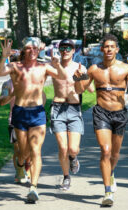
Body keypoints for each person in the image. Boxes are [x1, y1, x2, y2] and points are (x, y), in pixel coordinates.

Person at [0, 37, 67, 203]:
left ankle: (33, 187)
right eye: (29, 48)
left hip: (38, 112)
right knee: (24, 152)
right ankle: (20, 164)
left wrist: (57, 64)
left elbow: (62, 76)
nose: (32, 51)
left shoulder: (44, 67)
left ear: (39, 50)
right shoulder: (15, 67)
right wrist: (3, 56)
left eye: (35, 48)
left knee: (35, 151)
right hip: (20, 112)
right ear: (23, 50)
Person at [74, 34, 128, 206]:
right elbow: (80, 90)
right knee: (105, 150)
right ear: (102, 49)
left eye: (112, 46)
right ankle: (107, 192)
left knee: (115, 153)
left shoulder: (125, 69)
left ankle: (111, 172)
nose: (109, 49)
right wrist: (77, 78)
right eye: (106, 46)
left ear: (117, 49)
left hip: (120, 114)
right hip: (101, 113)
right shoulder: (93, 69)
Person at [50, 38, 94, 191]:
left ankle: (73, 158)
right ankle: (66, 177)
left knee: (73, 149)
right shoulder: (54, 66)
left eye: (69, 48)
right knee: (63, 147)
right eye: (63, 47)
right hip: (57, 108)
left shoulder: (80, 67)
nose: (65, 51)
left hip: (74, 109)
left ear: (74, 51)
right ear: (59, 49)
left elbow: (90, 90)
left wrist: (82, 77)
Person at [0, 79, 47, 184]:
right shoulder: (7, 84)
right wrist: (13, 93)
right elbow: (2, 101)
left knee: (31, 149)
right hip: (14, 120)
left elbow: (43, 96)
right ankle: (19, 171)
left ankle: (26, 168)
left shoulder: (34, 80)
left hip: (33, 119)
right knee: (18, 149)